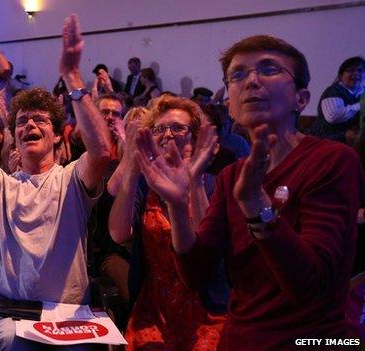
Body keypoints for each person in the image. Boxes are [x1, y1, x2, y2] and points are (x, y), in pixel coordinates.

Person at [135, 35, 363, 350]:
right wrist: (176, 203)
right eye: (238, 75)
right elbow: (197, 275)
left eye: (268, 69)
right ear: (230, 103)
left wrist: (257, 205)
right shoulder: (231, 177)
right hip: (241, 338)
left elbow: (312, 288)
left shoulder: (332, 160)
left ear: (301, 98)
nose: (252, 81)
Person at [0, 14, 111, 350]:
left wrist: (71, 76)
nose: (29, 125)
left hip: (68, 317)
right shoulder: (3, 185)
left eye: (40, 120)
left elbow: (102, 152)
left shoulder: (71, 179)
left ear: (56, 135)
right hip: (11, 316)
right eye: (21, 121)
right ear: (15, 136)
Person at [109, 97, 223, 350]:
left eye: (177, 128)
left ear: (194, 137)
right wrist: (131, 166)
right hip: (155, 304)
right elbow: (118, 233)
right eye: (159, 129)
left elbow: (206, 245)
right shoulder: (143, 186)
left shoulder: (215, 184)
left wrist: (194, 179)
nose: (167, 134)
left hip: (204, 303)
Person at [308, 56, 365, 143]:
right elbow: (333, 116)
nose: (356, 74)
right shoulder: (333, 91)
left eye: (360, 70)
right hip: (325, 138)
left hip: (353, 136)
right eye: (350, 70)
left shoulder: (363, 92)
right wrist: (360, 105)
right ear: (341, 75)